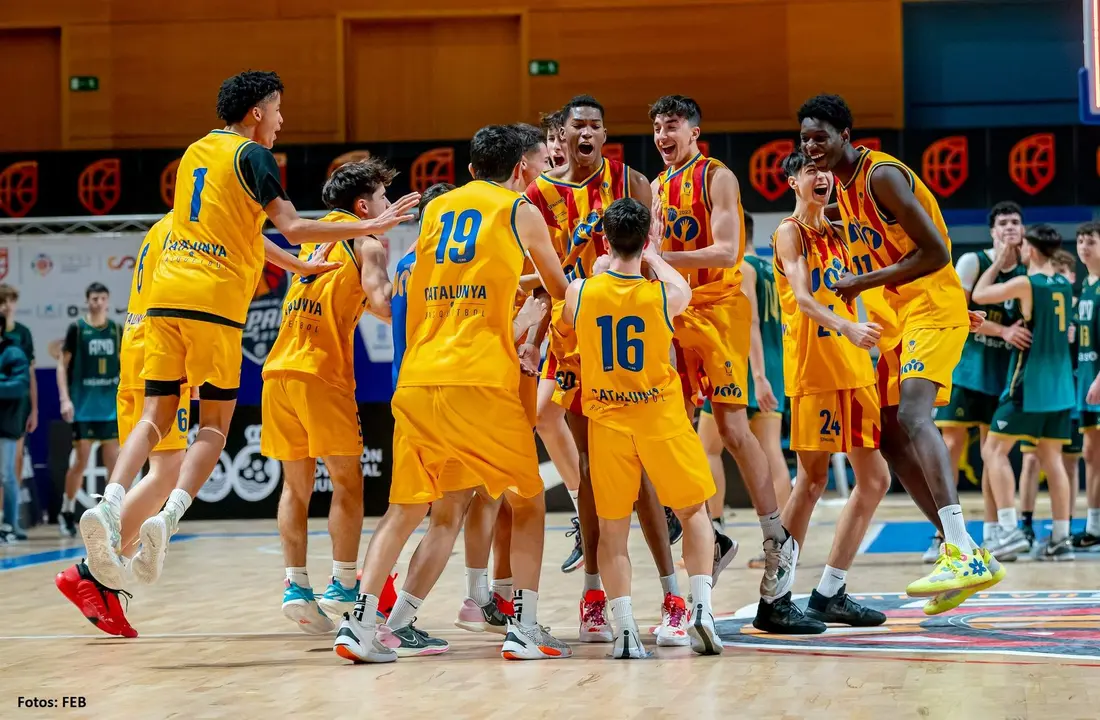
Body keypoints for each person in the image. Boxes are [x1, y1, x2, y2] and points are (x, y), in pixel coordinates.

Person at [78, 70, 419, 593]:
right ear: (257, 111)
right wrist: (370, 227)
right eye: (278, 109)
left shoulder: (196, 153)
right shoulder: (254, 156)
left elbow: (249, 236)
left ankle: (107, 505)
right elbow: (295, 227)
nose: (282, 121)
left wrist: (299, 269)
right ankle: (166, 521)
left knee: (155, 417)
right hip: (212, 303)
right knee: (213, 427)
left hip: (163, 301)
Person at [333, 124, 571, 664]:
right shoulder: (520, 210)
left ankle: (363, 625)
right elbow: (559, 291)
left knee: (404, 510)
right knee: (528, 503)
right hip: (479, 378)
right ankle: (525, 627)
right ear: (520, 171)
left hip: (418, 378)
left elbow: (433, 286)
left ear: (469, 171)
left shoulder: (437, 212)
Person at [54, 212, 345, 638]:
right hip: (167, 341)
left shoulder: (163, 227)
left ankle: (101, 568)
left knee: (166, 464)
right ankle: (91, 567)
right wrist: (302, 265)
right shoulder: (210, 225)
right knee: (170, 469)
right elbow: (255, 240)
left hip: (141, 340)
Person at [798, 93, 1000, 614]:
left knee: (914, 414)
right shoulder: (842, 193)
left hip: (930, 305)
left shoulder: (881, 175)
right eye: (804, 138)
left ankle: (958, 547)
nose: (812, 145)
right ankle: (966, 551)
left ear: (846, 134)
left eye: (820, 135)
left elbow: (936, 251)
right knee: (889, 434)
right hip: (900, 317)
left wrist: (862, 280)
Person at [525, 96, 688, 647]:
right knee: (594, 473)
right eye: (579, 125)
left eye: (597, 124)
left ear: (604, 133)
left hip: (629, 335)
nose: (588, 132)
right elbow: (529, 271)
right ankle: (594, 592)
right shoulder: (537, 196)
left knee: (640, 474)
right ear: (562, 135)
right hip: (574, 329)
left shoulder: (631, 180)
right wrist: (535, 324)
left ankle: (673, 594)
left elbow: (654, 244)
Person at [650, 94, 801, 629]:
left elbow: (727, 249)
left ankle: (775, 536)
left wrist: (662, 258)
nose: (663, 137)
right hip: (673, 311)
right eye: (657, 129)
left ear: (693, 131)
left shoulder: (718, 176)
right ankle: (710, 536)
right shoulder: (655, 187)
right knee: (674, 428)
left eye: (671, 127)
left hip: (717, 313)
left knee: (736, 432)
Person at [563, 196, 722, 658]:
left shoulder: (581, 293)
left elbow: (579, 300)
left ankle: (627, 630)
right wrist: (653, 257)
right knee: (695, 514)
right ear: (646, 240)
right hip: (660, 419)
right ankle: (701, 610)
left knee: (613, 532)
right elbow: (681, 286)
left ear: (606, 240)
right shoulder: (664, 293)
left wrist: (599, 268)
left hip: (608, 423)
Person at [262, 159, 399, 634]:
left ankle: (295, 587)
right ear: (364, 206)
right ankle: (342, 584)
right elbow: (383, 305)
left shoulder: (314, 235)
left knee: (294, 487)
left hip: (277, 372)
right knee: (348, 483)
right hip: (321, 374)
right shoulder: (366, 241)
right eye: (382, 200)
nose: (386, 208)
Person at [771, 151, 889, 629]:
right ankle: (775, 598)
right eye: (810, 172)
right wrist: (847, 327)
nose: (822, 178)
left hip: (854, 369)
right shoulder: (789, 232)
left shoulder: (841, 233)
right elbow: (802, 299)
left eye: (825, 171)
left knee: (875, 480)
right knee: (812, 481)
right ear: (793, 182)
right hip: (815, 370)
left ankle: (830, 591)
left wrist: (950, 318)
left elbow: (881, 290)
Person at [931, 202, 1029, 560]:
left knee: (994, 453)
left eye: (1015, 222)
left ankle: (993, 533)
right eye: (1003, 222)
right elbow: (960, 310)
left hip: (1003, 374)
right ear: (992, 230)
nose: (1009, 228)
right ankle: (942, 534)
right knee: (949, 449)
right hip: (967, 368)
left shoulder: (1027, 266)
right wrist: (1003, 330)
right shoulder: (974, 261)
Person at [972, 224, 1075, 562]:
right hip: (1061, 390)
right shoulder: (1064, 284)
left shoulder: (1025, 283)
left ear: (1030, 249)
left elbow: (979, 295)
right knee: (1052, 460)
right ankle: (1061, 537)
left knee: (993, 451)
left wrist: (998, 260)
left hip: (1029, 385)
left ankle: (1009, 530)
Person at [1019, 248, 1081, 552]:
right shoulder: (1038, 303)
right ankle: (1026, 525)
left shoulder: (1078, 307)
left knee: (1068, 462)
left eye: (1065, 274)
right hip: (1045, 391)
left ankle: (1064, 528)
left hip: (1072, 393)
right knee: (1031, 459)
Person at [56, 282, 122, 538]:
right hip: (83, 406)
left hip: (110, 408)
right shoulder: (77, 329)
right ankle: (67, 510)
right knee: (80, 461)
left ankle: (110, 516)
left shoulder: (116, 330)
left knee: (113, 465)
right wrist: (65, 399)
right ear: (87, 301)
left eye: (102, 298)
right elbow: (62, 365)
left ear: (107, 301)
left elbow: (125, 366)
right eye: (94, 298)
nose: (97, 303)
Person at [0, 284, 35, 541]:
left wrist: (34, 408)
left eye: (10, 301)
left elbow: (27, 378)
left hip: (12, 414)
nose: (7, 305)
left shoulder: (20, 339)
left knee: (10, 469)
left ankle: (11, 522)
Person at [1073, 222, 1100, 550]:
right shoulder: (1086, 286)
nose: (1083, 246)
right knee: (1091, 454)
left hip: (1095, 379)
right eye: (1080, 241)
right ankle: (1093, 526)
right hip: (1085, 378)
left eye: (1091, 241)